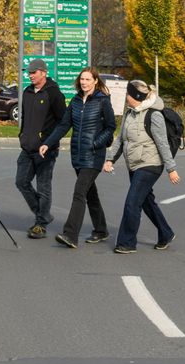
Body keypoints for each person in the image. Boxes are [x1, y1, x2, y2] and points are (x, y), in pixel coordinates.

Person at [40, 67, 116, 248]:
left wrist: (96, 143)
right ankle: (101, 229)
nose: (84, 82)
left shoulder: (102, 101)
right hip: (78, 154)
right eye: (82, 79)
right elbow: (63, 125)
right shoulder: (74, 101)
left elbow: (111, 127)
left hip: (94, 155)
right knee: (90, 193)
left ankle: (70, 234)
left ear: (95, 81)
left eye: (88, 79)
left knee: (79, 192)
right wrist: (47, 143)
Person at [103, 80, 180, 253]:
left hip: (150, 164)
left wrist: (171, 169)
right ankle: (166, 233)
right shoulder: (129, 114)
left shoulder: (154, 115)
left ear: (135, 96)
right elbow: (120, 139)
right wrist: (110, 160)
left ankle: (127, 242)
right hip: (134, 164)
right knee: (145, 201)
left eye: (127, 94)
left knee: (132, 202)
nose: (125, 97)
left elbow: (162, 144)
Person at [15, 58, 67, 239]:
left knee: (43, 187)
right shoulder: (27, 92)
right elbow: (25, 117)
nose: (30, 75)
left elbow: (63, 121)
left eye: (33, 72)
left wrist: (50, 141)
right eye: (28, 72)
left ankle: (41, 224)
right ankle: (43, 213)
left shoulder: (54, 93)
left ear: (43, 73)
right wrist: (22, 135)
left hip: (46, 150)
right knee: (21, 182)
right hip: (27, 147)